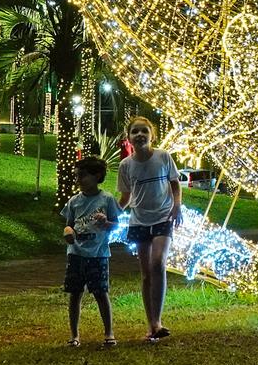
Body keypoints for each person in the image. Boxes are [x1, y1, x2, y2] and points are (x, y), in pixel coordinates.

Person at [116, 115, 181, 341]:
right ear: (129, 138)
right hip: (138, 221)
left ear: (152, 135)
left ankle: (159, 320)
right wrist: (110, 214)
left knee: (157, 264)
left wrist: (177, 207)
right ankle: (152, 324)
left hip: (163, 218)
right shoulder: (126, 165)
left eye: (144, 131)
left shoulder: (163, 157)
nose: (140, 135)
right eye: (135, 132)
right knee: (146, 275)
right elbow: (125, 197)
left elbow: (175, 183)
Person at [60, 156, 120, 348]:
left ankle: (109, 333)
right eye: (76, 176)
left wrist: (106, 223)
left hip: (99, 254)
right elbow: (69, 225)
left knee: (101, 293)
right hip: (76, 254)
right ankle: (74, 335)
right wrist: (68, 233)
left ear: (97, 176)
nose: (78, 180)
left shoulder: (107, 199)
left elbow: (116, 226)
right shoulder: (74, 201)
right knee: (75, 294)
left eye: (83, 176)